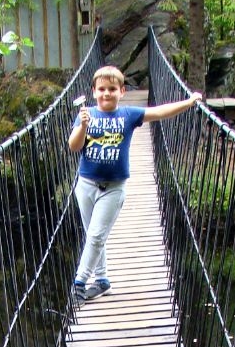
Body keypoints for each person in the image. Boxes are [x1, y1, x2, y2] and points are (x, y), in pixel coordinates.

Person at [68, 64, 202, 301]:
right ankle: (102, 280)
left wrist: (189, 102)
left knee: (97, 235)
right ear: (93, 91)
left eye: (111, 89)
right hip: (86, 184)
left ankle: (79, 281)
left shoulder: (128, 114)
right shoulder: (85, 114)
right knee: (93, 235)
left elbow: (160, 112)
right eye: (101, 89)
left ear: (122, 91)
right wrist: (84, 126)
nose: (106, 93)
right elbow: (74, 146)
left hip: (114, 187)